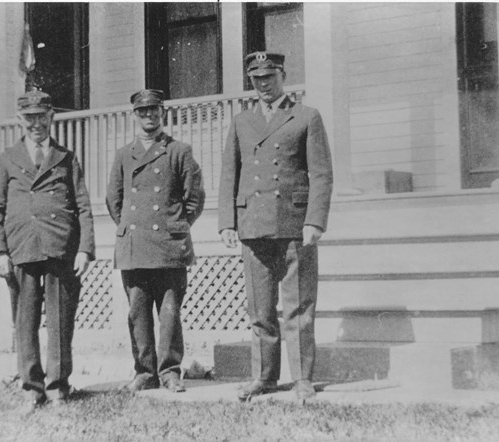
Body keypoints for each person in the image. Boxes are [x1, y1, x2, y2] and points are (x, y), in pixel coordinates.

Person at [218, 52, 333, 402]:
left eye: (269, 77)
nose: (263, 85)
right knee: (260, 309)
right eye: (256, 79)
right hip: (253, 225)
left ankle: (301, 379)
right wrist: (227, 222)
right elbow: (229, 174)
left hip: (294, 224)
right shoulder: (241, 121)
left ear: (283, 75)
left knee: (298, 306)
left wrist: (315, 220)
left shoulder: (306, 116)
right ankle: (264, 377)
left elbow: (322, 174)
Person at [0, 90, 95, 410]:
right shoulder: (6, 160)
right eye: (29, 118)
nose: (36, 124)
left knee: (61, 320)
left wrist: (84, 250)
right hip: (21, 248)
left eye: (42, 117)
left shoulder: (66, 157)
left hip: (61, 248)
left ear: (51, 118)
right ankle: (32, 386)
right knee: (25, 320)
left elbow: (83, 207)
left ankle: (58, 385)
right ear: (21, 121)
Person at [106, 89, 205, 393]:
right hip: (135, 245)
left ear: (162, 113)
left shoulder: (179, 151)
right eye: (142, 111)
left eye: (153, 110)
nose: (148, 116)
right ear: (134, 115)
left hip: (169, 244)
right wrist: (132, 228)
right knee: (137, 312)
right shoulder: (123, 155)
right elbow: (114, 200)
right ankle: (144, 371)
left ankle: (170, 371)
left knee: (170, 312)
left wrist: (174, 226)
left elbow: (195, 198)